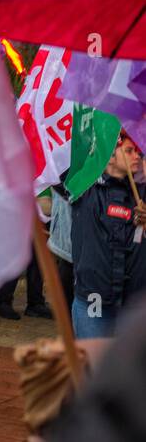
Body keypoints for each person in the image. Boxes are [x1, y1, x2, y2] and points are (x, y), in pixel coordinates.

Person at [69, 130, 146, 339]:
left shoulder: (141, 194)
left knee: (127, 372)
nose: (137, 156)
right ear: (111, 154)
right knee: (93, 369)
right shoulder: (85, 187)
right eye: (129, 151)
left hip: (133, 307)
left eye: (139, 152)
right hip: (93, 303)